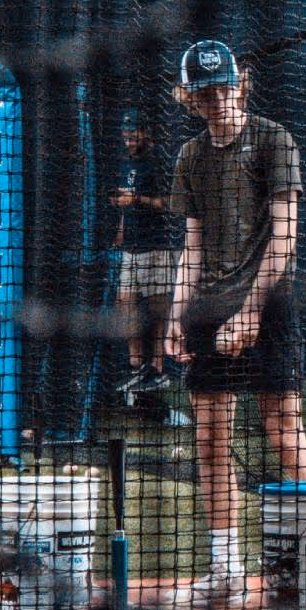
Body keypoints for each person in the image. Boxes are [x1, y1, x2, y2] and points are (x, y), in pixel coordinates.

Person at [163, 40, 306, 610]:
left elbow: (285, 237)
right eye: (203, 91)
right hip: (210, 308)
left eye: (223, 86)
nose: (215, 99)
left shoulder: (273, 140)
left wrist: (251, 310)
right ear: (188, 97)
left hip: (272, 302)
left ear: (241, 82)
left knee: (283, 432)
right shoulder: (190, 156)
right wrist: (178, 314)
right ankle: (225, 570)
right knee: (210, 441)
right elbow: (192, 245)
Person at [109, 108, 180, 397]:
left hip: (156, 244)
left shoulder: (159, 160)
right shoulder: (127, 161)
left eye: (133, 135)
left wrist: (137, 199)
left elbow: (171, 202)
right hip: (133, 245)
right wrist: (122, 228)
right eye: (125, 136)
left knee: (157, 306)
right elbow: (127, 200)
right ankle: (136, 365)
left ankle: (158, 369)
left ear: (145, 132)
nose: (128, 141)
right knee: (124, 302)